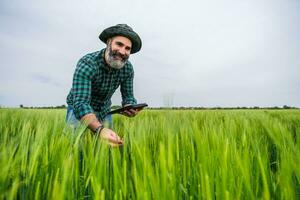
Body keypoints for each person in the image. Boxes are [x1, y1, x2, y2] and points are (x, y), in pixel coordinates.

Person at [66, 24, 143, 147]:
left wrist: (129, 106)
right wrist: (100, 130)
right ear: (108, 42)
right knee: (77, 150)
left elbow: (128, 96)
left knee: (106, 151)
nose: (123, 51)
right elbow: (80, 103)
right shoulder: (88, 63)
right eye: (119, 44)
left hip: (105, 110)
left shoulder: (127, 68)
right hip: (79, 110)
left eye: (128, 48)